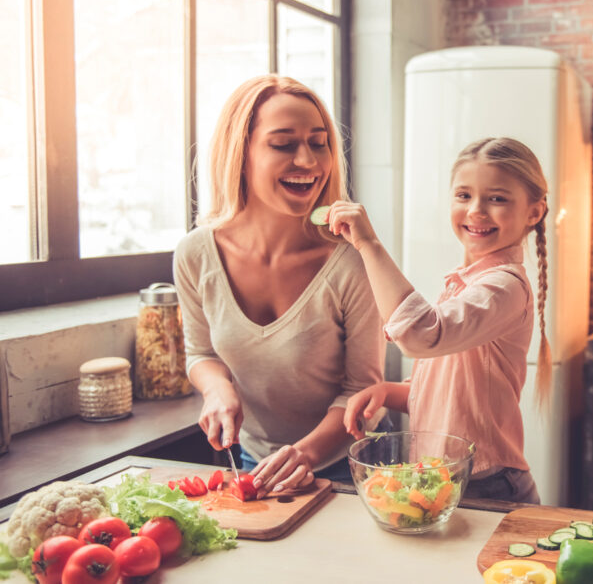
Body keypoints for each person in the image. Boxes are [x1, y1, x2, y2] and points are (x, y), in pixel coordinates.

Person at [174, 74, 386, 498]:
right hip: (257, 464)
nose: (308, 161)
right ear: (242, 154)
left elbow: (363, 391)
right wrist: (218, 390)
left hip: (354, 471)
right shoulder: (196, 254)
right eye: (283, 144)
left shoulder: (351, 260)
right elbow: (201, 353)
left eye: (319, 142)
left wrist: (305, 454)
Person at [330, 137, 551, 504]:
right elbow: (448, 395)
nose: (476, 211)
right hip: (451, 476)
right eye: (464, 196)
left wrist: (368, 244)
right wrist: (387, 391)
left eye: (497, 199)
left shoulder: (504, 287)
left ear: (533, 213)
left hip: (486, 482)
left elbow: (420, 335)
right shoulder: (466, 285)